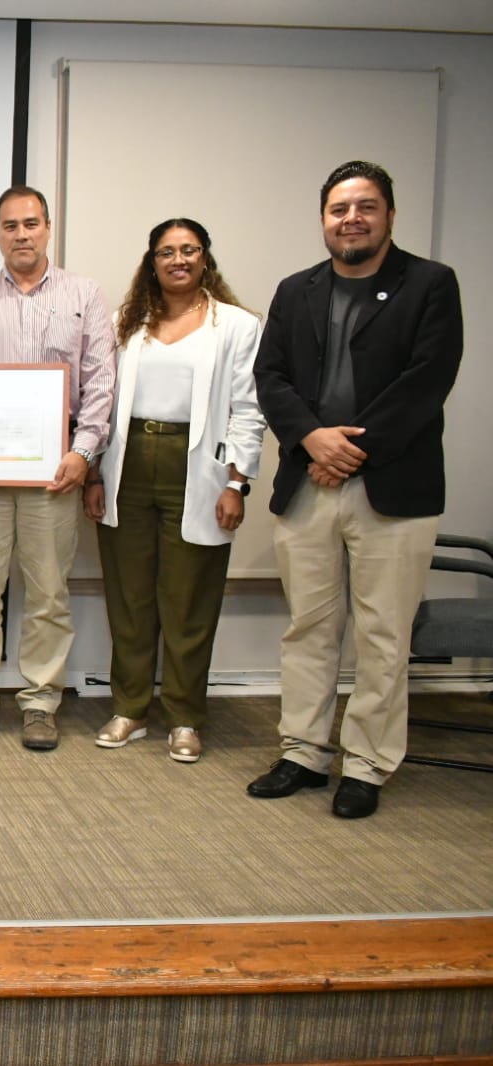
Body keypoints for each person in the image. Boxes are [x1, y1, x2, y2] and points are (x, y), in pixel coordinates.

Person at [248, 160, 463, 819]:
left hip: (391, 488)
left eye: (365, 206)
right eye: (339, 209)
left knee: (380, 634)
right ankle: (304, 753)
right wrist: (313, 440)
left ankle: (366, 765)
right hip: (308, 483)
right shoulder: (295, 290)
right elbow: (271, 377)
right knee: (308, 629)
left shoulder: (428, 284)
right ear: (322, 220)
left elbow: (428, 379)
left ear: (388, 215)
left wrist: (350, 450)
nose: (351, 219)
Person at [0, 185, 116, 751]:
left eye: (31, 224)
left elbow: (100, 384)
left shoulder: (85, 296)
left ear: (48, 228)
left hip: (55, 469)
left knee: (47, 593)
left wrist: (82, 454)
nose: (22, 234)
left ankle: (40, 702)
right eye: (10, 225)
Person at [82, 218, 265, 763]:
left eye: (189, 250)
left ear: (205, 258)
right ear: (152, 261)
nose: (178, 259)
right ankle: (130, 708)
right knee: (130, 597)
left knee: (189, 600)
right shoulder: (124, 322)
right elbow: (100, 401)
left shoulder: (235, 325)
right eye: (167, 251)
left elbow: (249, 411)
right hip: (128, 462)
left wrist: (237, 482)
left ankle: (185, 716)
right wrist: (94, 473)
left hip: (199, 468)